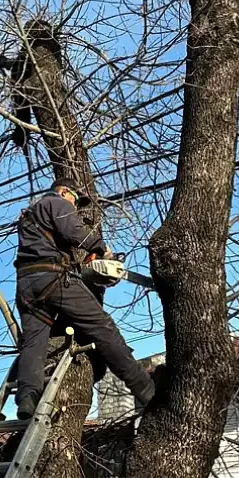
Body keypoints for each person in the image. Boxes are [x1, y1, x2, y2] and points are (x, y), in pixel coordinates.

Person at [13, 177, 155, 419]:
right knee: (103, 328)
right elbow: (73, 231)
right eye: (75, 199)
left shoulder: (29, 216)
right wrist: (100, 248)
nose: (75, 205)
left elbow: (53, 243)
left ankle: (27, 398)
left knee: (34, 343)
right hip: (53, 278)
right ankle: (146, 389)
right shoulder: (56, 203)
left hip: (27, 285)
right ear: (64, 191)